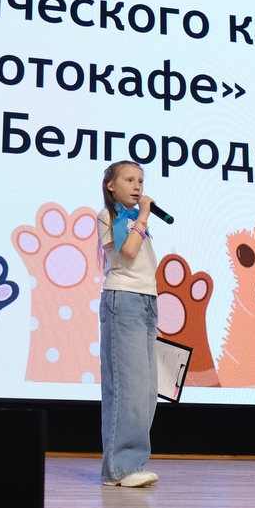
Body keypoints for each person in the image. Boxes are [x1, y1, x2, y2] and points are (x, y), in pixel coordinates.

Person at [96, 160, 162, 488]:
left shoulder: (136, 219)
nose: (137, 187)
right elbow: (128, 253)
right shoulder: (110, 216)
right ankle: (120, 468)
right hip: (123, 300)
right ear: (111, 185)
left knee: (147, 391)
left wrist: (141, 218)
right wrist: (144, 215)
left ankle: (130, 463)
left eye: (140, 181)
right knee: (128, 387)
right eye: (129, 180)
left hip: (146, 302)